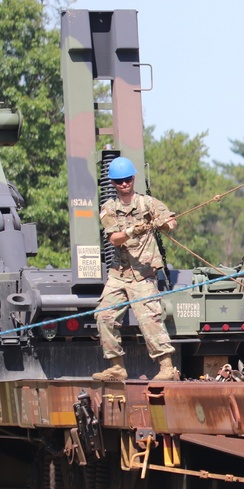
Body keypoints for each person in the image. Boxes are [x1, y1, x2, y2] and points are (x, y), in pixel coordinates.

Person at [92, 156, 179, 382]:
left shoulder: (148, 203)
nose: (124, 184)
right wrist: (133, 231)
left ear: (133, 178)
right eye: (119, 181)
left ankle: (166, 367)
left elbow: (172, 222)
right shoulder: (108, 208)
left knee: (150, 319)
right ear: (113, 183)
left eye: (128, 179)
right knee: (104, 316)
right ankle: (117, 367)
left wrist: (163, 224)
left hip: (144, 274)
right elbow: (114, 239)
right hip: (119, 274)